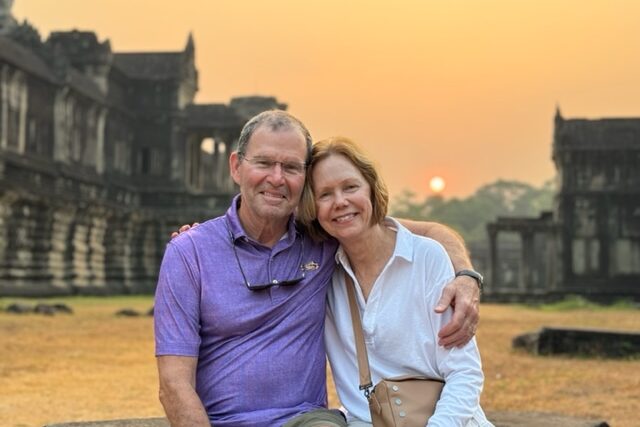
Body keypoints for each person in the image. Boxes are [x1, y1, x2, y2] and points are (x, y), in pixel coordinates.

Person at [154, 110, 482, 427]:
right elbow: (173, 384)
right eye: (265, 163)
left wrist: (466, 276)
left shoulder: (322, 239)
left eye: (292, 167)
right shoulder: (190, 252)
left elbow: (427, 232)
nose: (277, 178)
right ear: (237, 166)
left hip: (307, 419)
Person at [297, 136, 492, 426]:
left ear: (372, 188)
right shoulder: (323, 270)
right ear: (312, 208)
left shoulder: (425, 257)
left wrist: (466, 275)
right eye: (325, 194)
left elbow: (465, 372)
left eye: (350, 187)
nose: (340, 202)